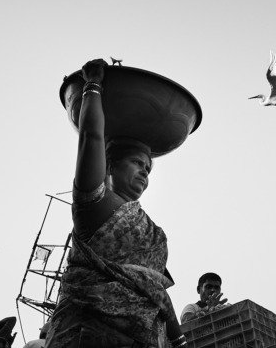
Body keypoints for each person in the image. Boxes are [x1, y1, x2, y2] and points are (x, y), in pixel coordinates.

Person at [45, 59, 186, 348]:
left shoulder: (153, 231)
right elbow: (91, 137)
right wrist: (93, 86)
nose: (145, 171)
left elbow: (154, 288)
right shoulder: (94, 204)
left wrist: (179, 339)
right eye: (137, 162)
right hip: (88, 336)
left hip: (144, 339)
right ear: (109, 164)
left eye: (149, 167)